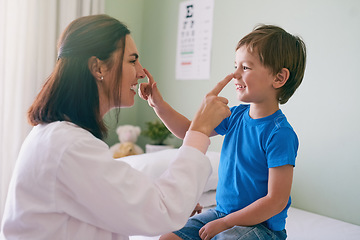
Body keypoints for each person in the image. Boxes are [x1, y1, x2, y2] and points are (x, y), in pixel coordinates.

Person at [0, 14, 233, 240]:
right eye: (132, 60)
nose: (142, 73)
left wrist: (179, 198)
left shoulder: (59, 137)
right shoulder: (68, 146)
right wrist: (199, 132)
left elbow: (123, 197)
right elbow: (160, 209)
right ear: (98, 67)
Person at [139, 25, 306, 240]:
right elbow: (189, 130)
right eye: (236, 65)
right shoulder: (235, 116)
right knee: (167, 238)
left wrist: (226, 224)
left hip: (262, 227)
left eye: (245, 67)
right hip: (222, 213)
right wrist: (158, 105)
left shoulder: (279, 134)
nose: (235, 74)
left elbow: (276, 201)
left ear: (279, 78)